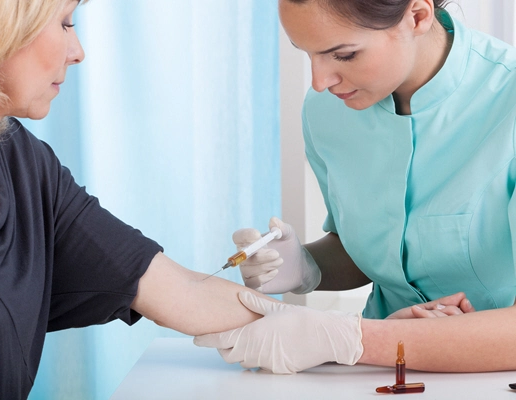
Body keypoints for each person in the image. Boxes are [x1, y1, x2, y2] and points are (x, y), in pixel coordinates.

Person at [0, 0, 271, 398]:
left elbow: (182, 291)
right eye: (65, 24)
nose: (78, 52)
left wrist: (336, 336)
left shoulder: (20, 161)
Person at [194, 0, 516, 374]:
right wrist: (305, 265)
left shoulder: (507, 102)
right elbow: (375, 249)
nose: (320, 81)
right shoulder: (326, 111)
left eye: (343, 55)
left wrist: (348, 338)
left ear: (417, 16)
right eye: (307, 54)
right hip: (374, 373)